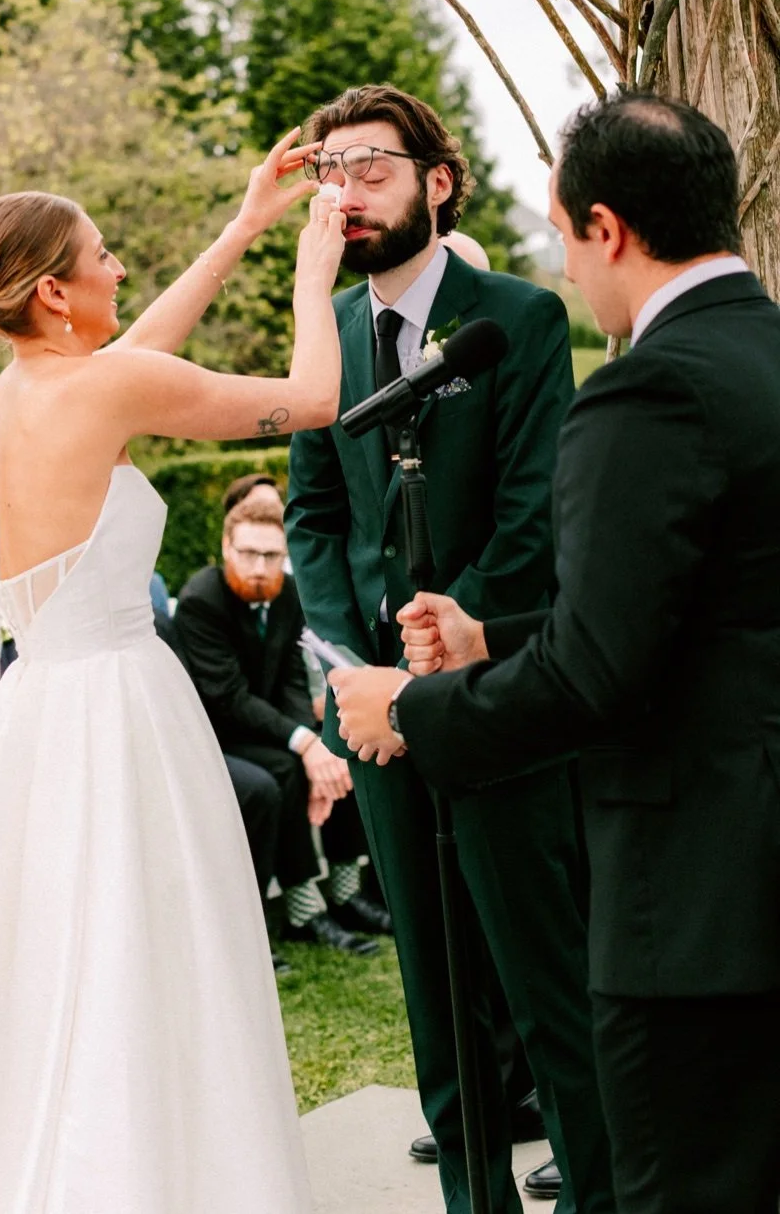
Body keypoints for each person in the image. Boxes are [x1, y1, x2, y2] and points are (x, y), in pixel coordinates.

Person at [336, 92, 780, 1214]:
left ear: (606, 228)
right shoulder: (762, 356)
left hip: (699, 905)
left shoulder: (647, 391)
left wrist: (413, 709)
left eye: (561, 234)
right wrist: (496, 633)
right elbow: (713, 608)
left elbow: (597, 676)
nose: (564, 264)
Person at [0, 128, 344, 1212]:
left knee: (51, 960)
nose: (120, 268)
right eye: (104, 253)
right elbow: (311, 396)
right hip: (122, 713)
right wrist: (313, 262)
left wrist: (243, 222)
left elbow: (142, 345)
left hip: (35, 710)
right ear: (55, 294)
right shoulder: (106, 392)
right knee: (149, 954)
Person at [284, 83, 607, 1212]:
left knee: (539, 973)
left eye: (370, 165)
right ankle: (473, 1193)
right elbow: (313, 515)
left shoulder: (513, 318)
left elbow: (536, 514)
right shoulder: (325, 334)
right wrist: (351, 661)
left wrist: (442, 642)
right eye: (328, 171)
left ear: (437, 179)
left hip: (495, 690)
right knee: (430, 978)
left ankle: (596, 1189)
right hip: (370, 708)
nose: (345, 189)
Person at [175, 480, 388, 957]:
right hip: (218, 734)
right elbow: (227, 698)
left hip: (267, 727)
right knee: (288, 772)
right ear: (225, 547)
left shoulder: (288, 593)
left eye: (271, 556)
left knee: (338, 751)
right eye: (248, 553)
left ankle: (346, 891)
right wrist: (300, 742)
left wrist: (315, 741)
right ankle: (302, 909)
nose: (258, 568)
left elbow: (294, 677)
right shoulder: (201, 599)